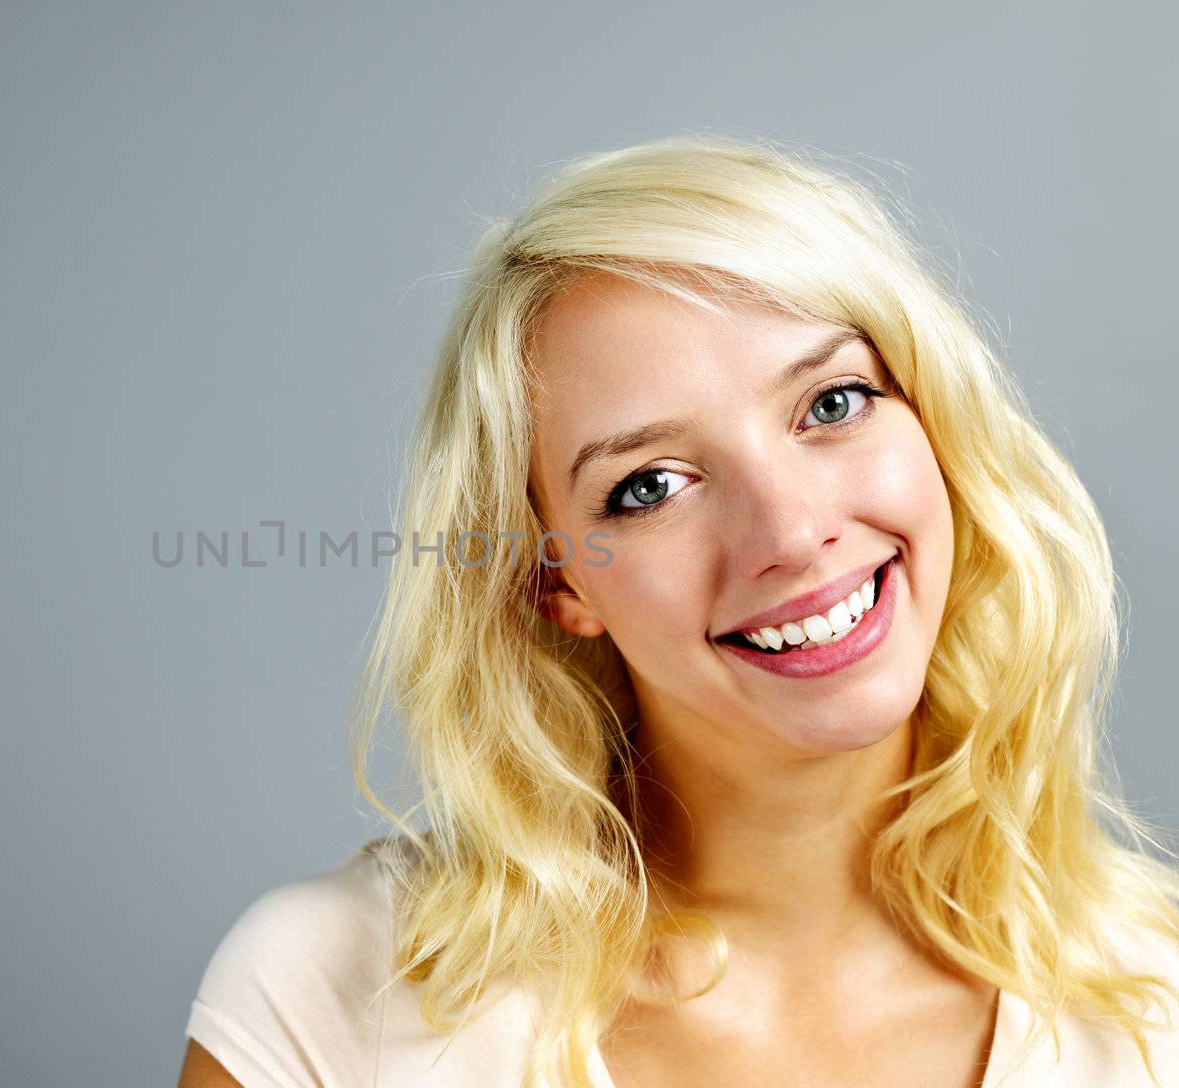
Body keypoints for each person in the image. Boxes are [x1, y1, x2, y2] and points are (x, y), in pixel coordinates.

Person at [175, 134, 1179, 1088]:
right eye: (651, 483)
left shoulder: (1155, 992)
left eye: (830, 402)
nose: (787, 529)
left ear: (933, 420)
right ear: (556, 582)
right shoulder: (332, 990)